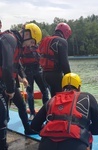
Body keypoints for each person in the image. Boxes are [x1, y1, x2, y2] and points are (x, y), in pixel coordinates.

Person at [31, 73, 98, 150]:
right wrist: (83, 128)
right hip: (75, 145)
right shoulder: (87, 97)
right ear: (79, 87)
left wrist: (50, 128)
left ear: (62, 88)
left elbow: (34, 125)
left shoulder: (52, 100)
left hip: (46, 145)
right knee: (88, 136)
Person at [0, 22, 42, 150]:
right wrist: (10, 90)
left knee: (22, 105)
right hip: (4, 83)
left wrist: (23, 77)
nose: (31, 46)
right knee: (2, 116)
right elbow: (7, 68)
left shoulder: (17, 44)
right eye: (32, 42)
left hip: (7, 82)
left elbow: (16, 65)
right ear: (27, 34)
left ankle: (27, 129)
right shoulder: (9, 39)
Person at [38, 22, 72, 98]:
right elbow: (64, 63)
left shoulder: (45, 40)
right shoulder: (62, 41)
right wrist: (69, 80)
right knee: (60, 98)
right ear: (66, 33)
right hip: (55, 75)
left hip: (44, 75)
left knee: (53, 97)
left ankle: (49, 108)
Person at [20, 45, 49, 120]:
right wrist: (22, 76)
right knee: (30, 94)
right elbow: (19, 64)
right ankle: (32, 113)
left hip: (38, 70)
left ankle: (46, 111)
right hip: (28, 72)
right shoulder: (23, 48)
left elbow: (42, 58)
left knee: (45, 91)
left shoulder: (37, 47)